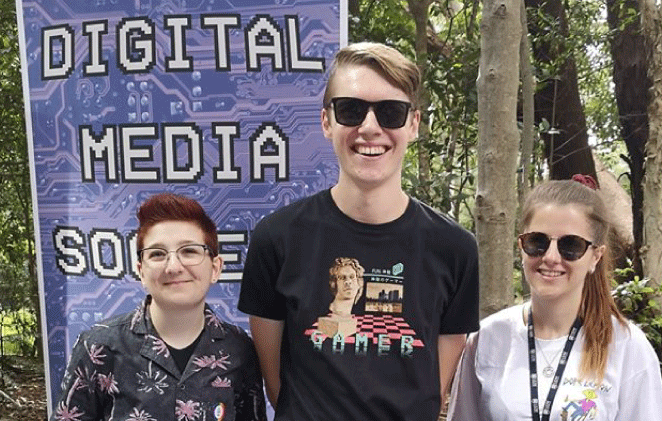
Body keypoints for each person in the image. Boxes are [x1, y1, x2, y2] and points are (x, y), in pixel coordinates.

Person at [238, 41, 479, 420]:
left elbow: (435, 385)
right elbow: (277, 383)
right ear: (326, 121)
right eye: (351, 110)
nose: (370, 128)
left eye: (390, 112)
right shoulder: (277, 239)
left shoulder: (455, 249)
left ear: (413, 124)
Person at [447, 178, 662, 420]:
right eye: (537, 242)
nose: (551, 257)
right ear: (521, 245)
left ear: (596, 256)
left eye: (570, 245)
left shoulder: (628, 347)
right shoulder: (488, 338)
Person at [51, 193, 267, 421]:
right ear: (141, 271)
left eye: (189, 251)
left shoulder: (239, 350)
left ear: (215, 268)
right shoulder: (99, 348)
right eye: (157, 254)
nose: (173, 266)